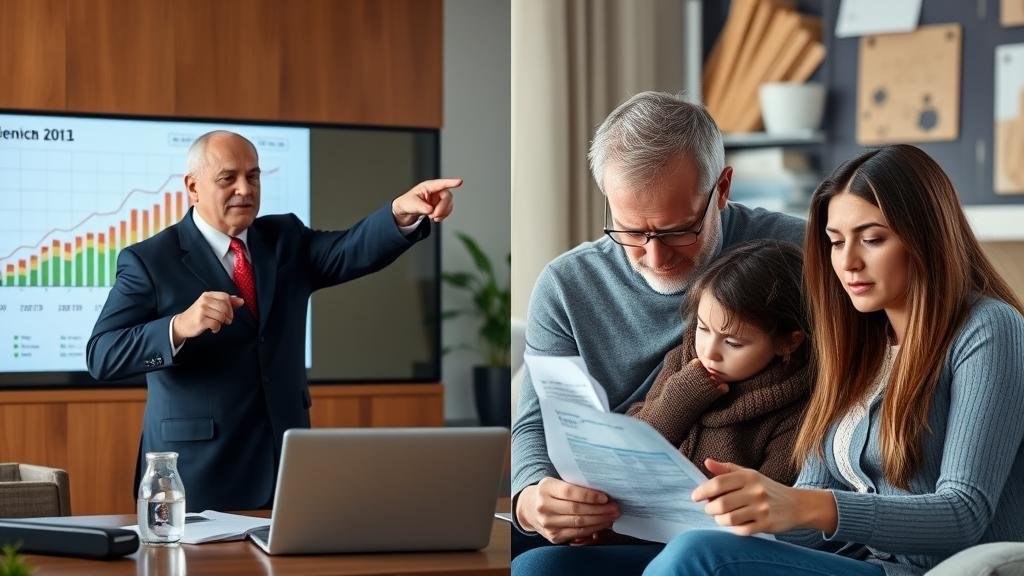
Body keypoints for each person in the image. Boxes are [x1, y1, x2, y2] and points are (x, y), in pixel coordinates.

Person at [642, 144, 1024, 576]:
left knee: (697, 558)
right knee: (560, 564)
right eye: (836, 242)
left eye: (873, 239)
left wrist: (808, 506)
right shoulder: (856, 344)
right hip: (847, 563)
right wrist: (739, 510)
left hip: (918, 570)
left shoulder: (988, 328)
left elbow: (964, 511)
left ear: (925, 238)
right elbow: (808, 517)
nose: (848, 262)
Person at [87, 130, 461, 512]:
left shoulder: (285, 238)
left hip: (286, 467)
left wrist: (400, 212)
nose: (244, 190)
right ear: (193, 187)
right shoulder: (149, 260)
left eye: (253, 176)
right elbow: (102, 355)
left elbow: (350, 249)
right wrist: (178, 326)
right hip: (198, 476)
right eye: (227, 178)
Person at [511, 91, 805, 574]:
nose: (655, 255)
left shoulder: (798, 254)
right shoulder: (566, 286)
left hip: (743, 525)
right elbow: (536, 421)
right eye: (630, 231)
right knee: (535, 567)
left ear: (723, 188)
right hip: (611, 527)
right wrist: (531, 496)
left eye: (677, 230)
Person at [627, 239, 811, 486]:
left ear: (788, 343)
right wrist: (678, 400)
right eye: (703, 328)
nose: (709, 352)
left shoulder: (796, 408)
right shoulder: (683, 361)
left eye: (733, 343)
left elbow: (772, 500)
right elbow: (627, 446)